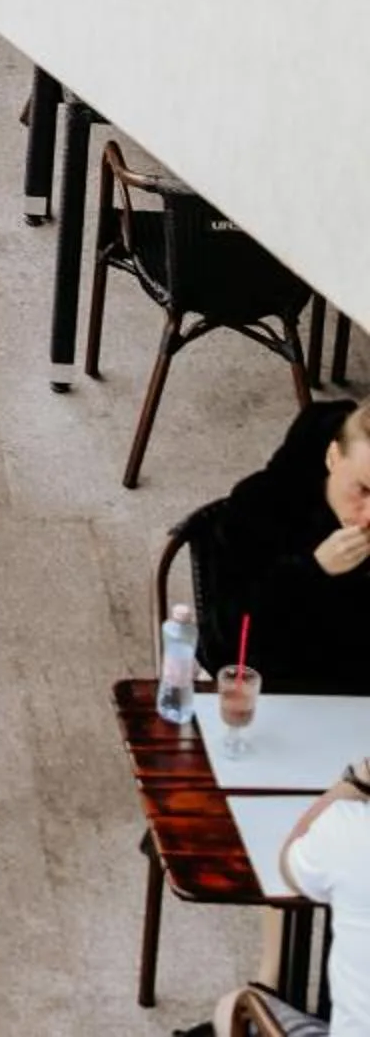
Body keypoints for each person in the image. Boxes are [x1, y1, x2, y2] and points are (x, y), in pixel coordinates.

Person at [186, 758, 370, 1037]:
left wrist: (352, 782)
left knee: (231, 1006)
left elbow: (289, 861)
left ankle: (267, 985)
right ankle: (269, 981)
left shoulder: (350, 830)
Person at [199, 399, 370, 694]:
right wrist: (311, 571)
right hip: (269, 687)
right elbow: (225, 640)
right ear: (332, 456)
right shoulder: (260, 506)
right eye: (364, 489)